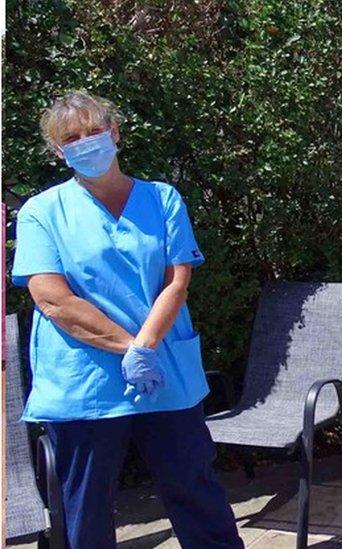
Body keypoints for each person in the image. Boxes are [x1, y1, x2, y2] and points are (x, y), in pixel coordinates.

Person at [11, 91, 242, 548]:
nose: (86, 142)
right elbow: (52, 299)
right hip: (86, 384)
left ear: (115, 133)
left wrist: (146, 347)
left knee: (196, 491)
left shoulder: (162, 198)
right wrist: (130, 348)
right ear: (59, 152)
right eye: (71, 138)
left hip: (165, 374)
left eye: (94, 130)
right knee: (87, 509)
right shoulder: (42, 211)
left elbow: (176, 282)